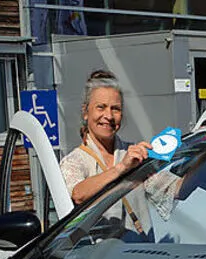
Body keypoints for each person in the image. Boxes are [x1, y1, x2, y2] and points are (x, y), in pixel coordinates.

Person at [59, 70, 153, 237]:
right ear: (86, 112)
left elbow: (172, 191)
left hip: (139, 256)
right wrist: (121, 168)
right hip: (94, 258)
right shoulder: (73, 161)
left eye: (115, 109)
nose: (108, 116)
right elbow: (78, 195)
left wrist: (202, 156)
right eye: (100, 107)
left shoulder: (134, 153)